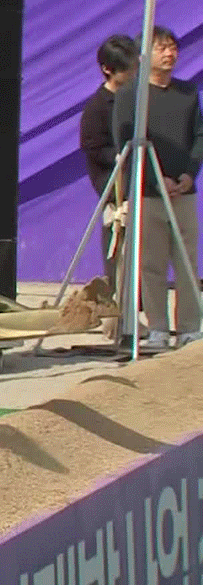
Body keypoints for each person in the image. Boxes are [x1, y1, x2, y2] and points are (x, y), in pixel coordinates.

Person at [113, 25, 203, 349]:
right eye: (162, 48)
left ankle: (191, 327)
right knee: (150, 264)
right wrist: (154, 179)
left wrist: (190, 174)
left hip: (183, 192)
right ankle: (158, 328)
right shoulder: (131, 96)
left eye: (173, 48)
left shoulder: (188, 93)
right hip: (149, 194)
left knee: (188, 262)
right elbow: (124, 142)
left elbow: (199, 137)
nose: (169, 54)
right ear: (144, 55)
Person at [80, 34, 139, 286]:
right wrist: (119, 158)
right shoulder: (98, 106)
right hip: (115, 186)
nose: (133, 73)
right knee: (118, 249)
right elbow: (92, 147)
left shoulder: (137, 99)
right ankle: (117, 308)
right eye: (127, 69)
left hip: (141, 182)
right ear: (108, 69)